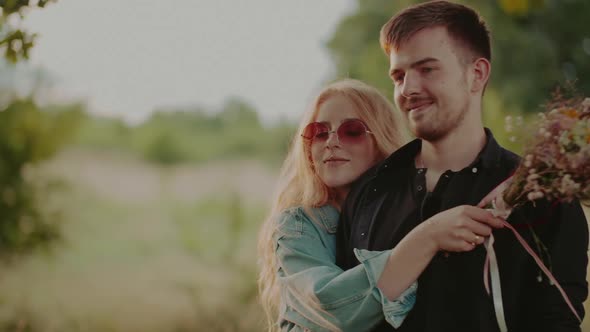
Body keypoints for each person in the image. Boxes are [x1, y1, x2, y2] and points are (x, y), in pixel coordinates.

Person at [335, 2, 589, 332]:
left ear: (477, 74)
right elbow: (340, 313)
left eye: (427, 69)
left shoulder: (545, 197)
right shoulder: (368, 192)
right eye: (399, 76)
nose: (408, 89)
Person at [257, 79, 505, 331]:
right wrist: (427, 238)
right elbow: (329, 308)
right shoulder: (298, 224)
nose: (331, 142)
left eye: (351, 131)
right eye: (319, 132)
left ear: (381, 139)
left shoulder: (410, 205)